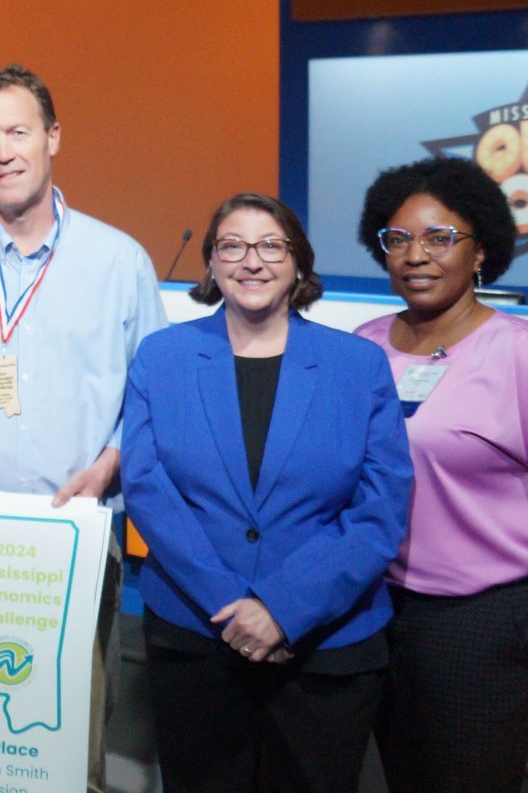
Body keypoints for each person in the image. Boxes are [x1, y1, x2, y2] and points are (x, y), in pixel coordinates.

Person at [0, 63, 165, 793]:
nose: (4, 152)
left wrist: (110, 463)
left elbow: (153, 398)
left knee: (68, 743)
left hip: (73, 531)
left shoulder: (119, 262)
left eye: (18, 132)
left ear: (53, 137)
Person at [122, 192, 412, 793]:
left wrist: (283, 608)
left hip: (325, 645)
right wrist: (232, 604)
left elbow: (381, 506)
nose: (251, 261)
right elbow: (149, 489)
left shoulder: (358, 365)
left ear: (299, 261)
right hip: (198, 634)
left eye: (271, 246)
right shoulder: (163, 357)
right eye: (232, 246)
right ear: (211, 262)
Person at [353, 156, 528, 793]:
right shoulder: (363, 345)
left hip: (482, 622)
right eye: (398, 239)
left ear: (480, 251)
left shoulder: (515, 351)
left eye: (440, 238)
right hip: (372, 606)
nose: (415, 256)